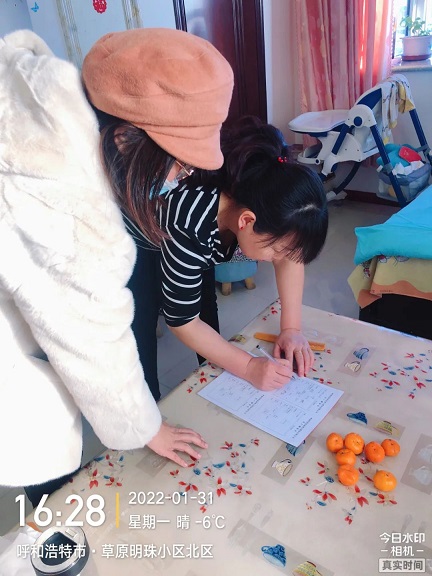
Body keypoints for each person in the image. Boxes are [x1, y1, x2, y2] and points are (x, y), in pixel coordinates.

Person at [0, 27, 233, 497]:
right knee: (41, 437)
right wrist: (147, 427)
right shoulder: (72, 202)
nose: (180, 181)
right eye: (181, 167)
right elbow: (89, 338)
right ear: (126, 139)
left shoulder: (43, 94)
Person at [113, 115, 328, 393]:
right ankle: (148, 408)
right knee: (140, 332)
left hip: (191, 233)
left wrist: (291, 329)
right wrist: (248, 367)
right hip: (138, 235)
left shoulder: (262, 196)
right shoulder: (189, 222)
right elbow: (183, 322)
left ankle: (213, 377)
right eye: (274, 250)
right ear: (246, 221)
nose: (275, 258)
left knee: (206, 310)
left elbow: (290, 255)